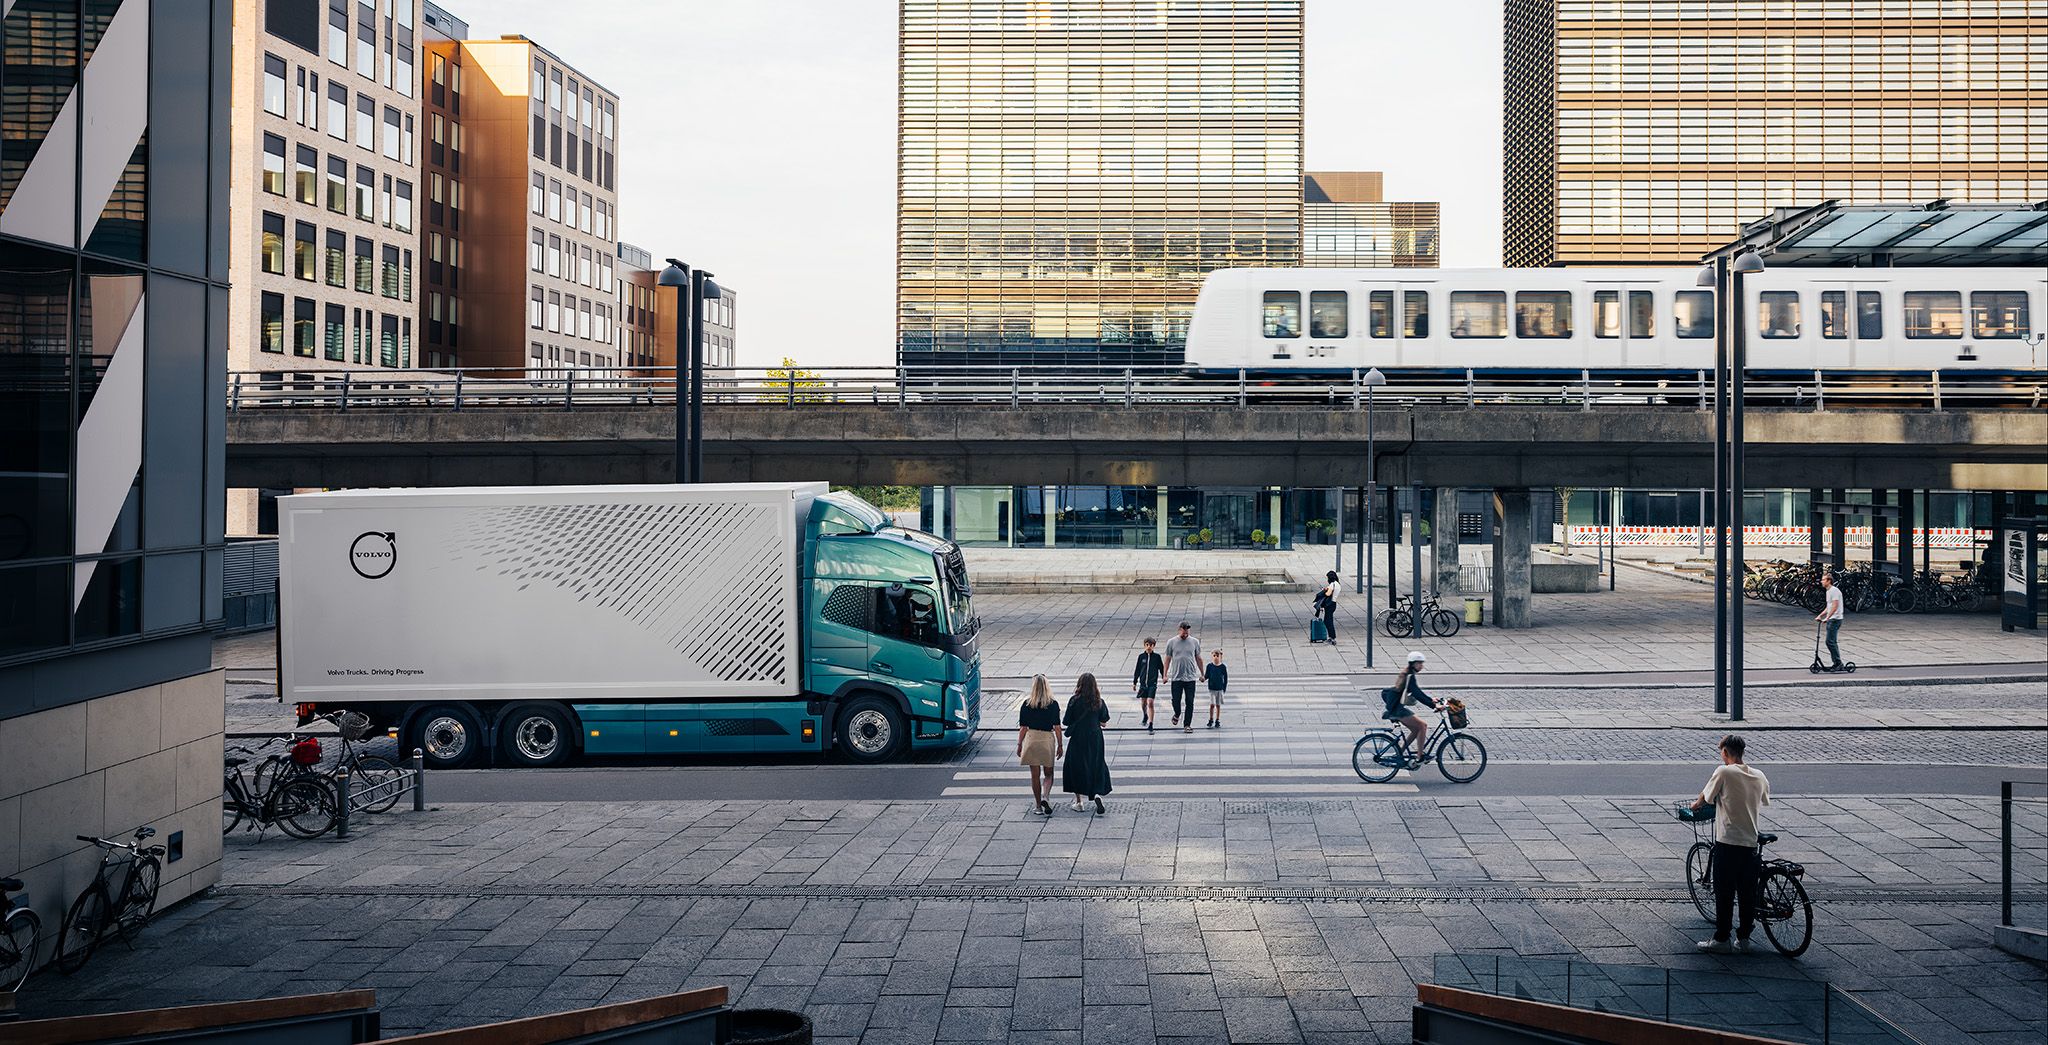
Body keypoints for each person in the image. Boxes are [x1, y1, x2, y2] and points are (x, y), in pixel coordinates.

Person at [1692, 734, 1771, 954]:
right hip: (1750, 841)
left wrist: (1695, 805)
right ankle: (1744, 938)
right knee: (1747, 893)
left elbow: (1706, 797)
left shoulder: (1723, 771)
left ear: (1725, 752)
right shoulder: (1759, 775)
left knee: (1724, 891)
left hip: (1728, 840)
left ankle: (1721, 938)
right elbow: (1764, 800)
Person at [1061, 673, 1112, 814]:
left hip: (1078, 738)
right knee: (1095, 764)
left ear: (1080, 684)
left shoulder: (1074, 700)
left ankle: (1079, 802)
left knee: (1076, 766)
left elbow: (1066, 721)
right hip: (1095, 737)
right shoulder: (1099, 701)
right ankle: (1095, 794)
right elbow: (1104, 722)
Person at [1381, 651, 1441, 769]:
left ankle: (1400, 753)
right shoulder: (1409, 675)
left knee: (1415, 730)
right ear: (1413, 664)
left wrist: (1431, 700)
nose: (1421, 666)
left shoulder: (1408, 673)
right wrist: (1433, 706)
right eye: (1419, 663)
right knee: (1422, 726)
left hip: (1396, 706)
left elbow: (1417, 691)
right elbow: (1417, 693)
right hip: (1397, 709)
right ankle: (1420, 757)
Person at [1017, 675, 1063, 816]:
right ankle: (1046, 797)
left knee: (1034, 776)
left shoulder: (1026, 704)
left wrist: (1019, 744)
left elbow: (1023, 728)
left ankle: (1038, 806)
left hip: (1031, 739)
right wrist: (1060, 745)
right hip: (1047, 739)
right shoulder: (1053, 704)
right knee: (1049, 774)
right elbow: (1057, 727)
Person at [1163, 621, 1203, 734]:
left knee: (1190, 701)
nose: (1185, 634)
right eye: (1183, 632)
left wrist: (1202, 673)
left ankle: (1187, 724)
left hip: (1190, 677)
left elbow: (1198, 658)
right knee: (1176, 700)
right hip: (1176, 677)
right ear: (1179, 630)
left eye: (1187, 632)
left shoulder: (1195, 642)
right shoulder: (1171, 642)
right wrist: (1165, 675)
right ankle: (1177, 713)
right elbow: (1167, 659)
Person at [1131, 638, 1165, 734]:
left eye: (1151, 645)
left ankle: (1150, 724)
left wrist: (1164, 676)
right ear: (1144, 645)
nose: (1149, 647)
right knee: (1143, 703)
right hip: (1143, 684)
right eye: (1147, 645)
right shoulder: (1141, 657)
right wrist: (1134, 682)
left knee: (1150, 702)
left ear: (1154, 646)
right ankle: (1145, 715)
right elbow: (1137, 669)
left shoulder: (1157, 657)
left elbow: (1161, 668)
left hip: (1152, 684)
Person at [1814, 571, 1846, 670]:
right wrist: (1820, 615)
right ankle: (1837, 662)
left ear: (1829, 581)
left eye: (1823, 580)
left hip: (1835, 619)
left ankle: (1838, 663)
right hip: (1832, 619)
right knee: (1831, 641)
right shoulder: (1828, 591)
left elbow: (1835, 606)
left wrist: (1827, 618)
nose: (1821, 582)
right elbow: (1829, 607)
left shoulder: (1834, 591)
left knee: (1830, 642)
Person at [1204, 649, 1228, 729]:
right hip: (1212, 689)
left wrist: (1224, 688)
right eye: (1214, 656)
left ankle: (1217, 719)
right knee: (1212, 704)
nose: (1216, 657)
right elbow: (1207, 675)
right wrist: (1203, 678)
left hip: (1219, 688)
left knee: (1218, 705)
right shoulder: (1209, 666)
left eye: (1217, 656)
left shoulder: (1222, 667)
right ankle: (1211, 719)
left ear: (1220, 657)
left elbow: (1225, 678)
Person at [1315, 571, 1341, 644]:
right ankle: (1331, 637)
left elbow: (1328, 594)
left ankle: (1332, 637)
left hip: (1329, 604)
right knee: (1329, 620)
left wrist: (1325, 590)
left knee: (1328, 621)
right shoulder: (1338, 584)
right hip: (1333, 603)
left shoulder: (1332, 584)